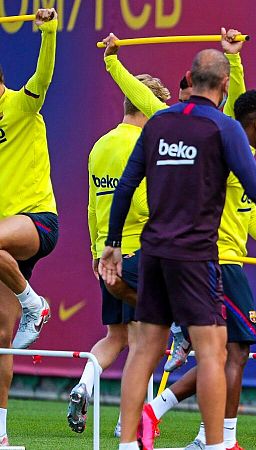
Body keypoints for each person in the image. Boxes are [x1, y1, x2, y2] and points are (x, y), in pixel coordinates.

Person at [99, 48, 256, 450]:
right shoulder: (224, 128)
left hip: (153, 253)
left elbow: (125, 186)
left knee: (144, 350)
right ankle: (217, 444)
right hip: (195, 256)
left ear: (190, 79)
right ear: (224, 84)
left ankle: (126, 444)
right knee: (212, 352)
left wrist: (113, 244)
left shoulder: (158, 122)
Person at [144, 90, 256, 450]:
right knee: (236, 352)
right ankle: (221, 439)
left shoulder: (241, 156)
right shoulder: (231, 155)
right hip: (220, 264)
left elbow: (250, 218)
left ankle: (161, 414)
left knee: (219, 354)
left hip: (215, 261)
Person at [66, 68, 170, 434]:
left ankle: (84, 384)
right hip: (141, 252)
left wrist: (96, 251)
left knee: (117, 336)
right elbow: (142, 203)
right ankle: (129, 421)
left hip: (108, 255)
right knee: (146, 340)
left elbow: (93, 205)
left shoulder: (100, 145)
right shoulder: (145, 144)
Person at [0, 8, 59, 446]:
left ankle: (33, 304)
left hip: (37, 221)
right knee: (2, 337)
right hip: (5, 243)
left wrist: (49, 32)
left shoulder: (21, 104)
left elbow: (43, 74)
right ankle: (1, 435)